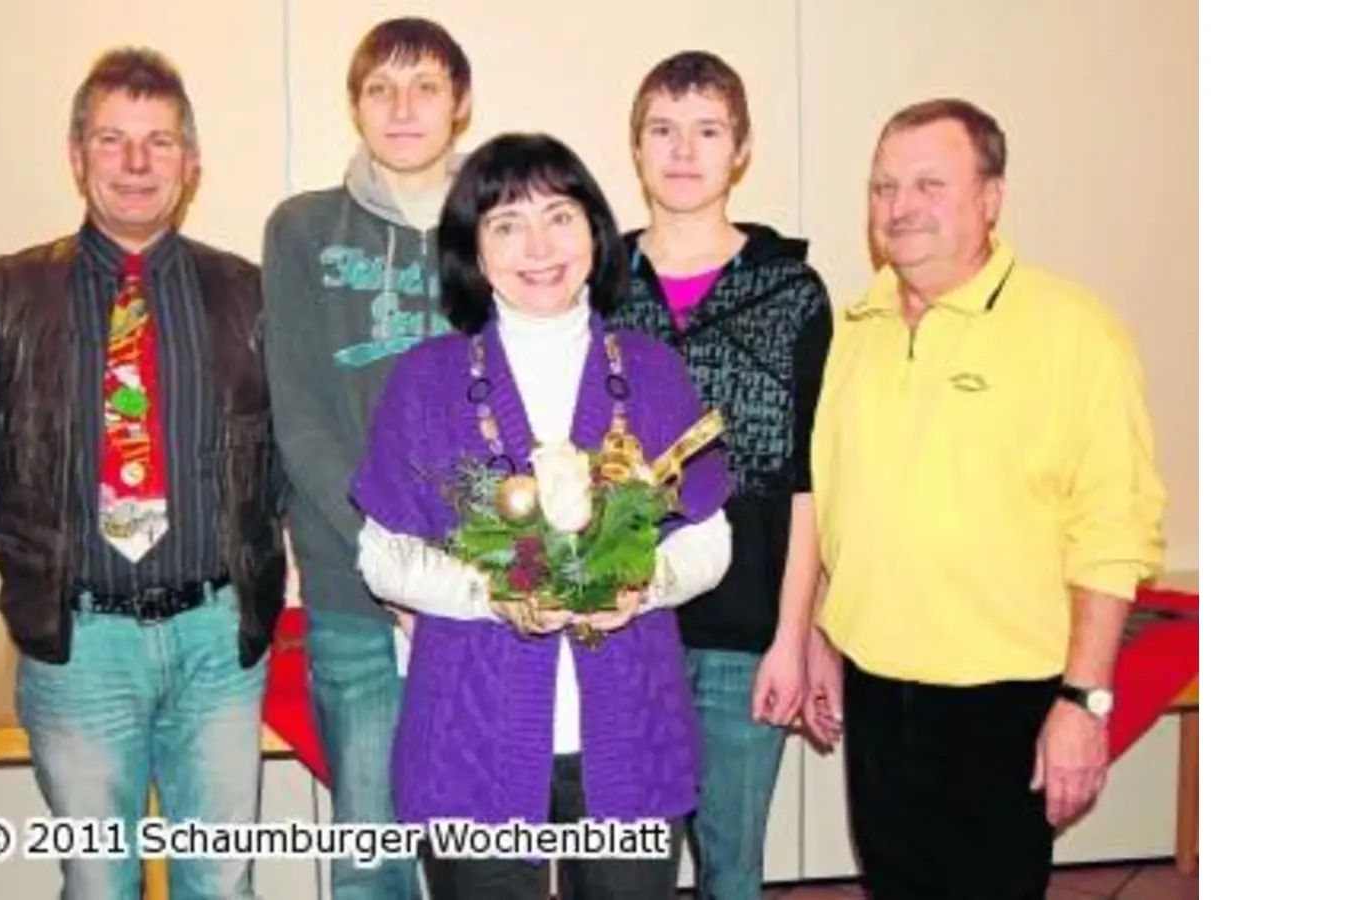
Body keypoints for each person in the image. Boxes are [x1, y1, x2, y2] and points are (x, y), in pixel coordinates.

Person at [0, 48, 284, 899]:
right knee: (98, 882)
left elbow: (280, 459)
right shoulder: (2, 298)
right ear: (76, 153)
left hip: (216, 642)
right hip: (79, 647)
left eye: (159, 142)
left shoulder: (250, 296)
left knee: (222, 884)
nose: (136, 164)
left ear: (190, 164)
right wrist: (49, 559)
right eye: (112, 139)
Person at [351, 132, 735, 900]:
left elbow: (710, 538)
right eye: (505, 225)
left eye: (558, 217)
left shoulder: (653, 374)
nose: (537, 246)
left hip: (629, 722)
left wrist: (646, 582)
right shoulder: (426, 383)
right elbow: (382, 555)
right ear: (473, 250)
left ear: (594, 230)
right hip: (472, 725)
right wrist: (488, 596)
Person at [805, 97, 1168, 899]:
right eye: (883, 186)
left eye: (930, 184)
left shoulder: (1075, 330)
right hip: (874, 683)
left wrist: (1084, 700)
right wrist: (823, 637)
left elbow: (1115, 528)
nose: (900, 208)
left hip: (1005, 700)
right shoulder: (855, 328)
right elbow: (836, 502)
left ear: (991, 198)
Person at [607, 51, 833, 900]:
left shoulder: (793, 292)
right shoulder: (597, 287)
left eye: (707, 130)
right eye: (662, 130)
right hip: (626, 628)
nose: (683, 150)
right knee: (629, 870)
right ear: (636, 148)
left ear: (740, 151)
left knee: (733, 869)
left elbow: (812, 479)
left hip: (748, 636)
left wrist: (794, 635)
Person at [260, 17, 471, 899]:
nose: (403, 107)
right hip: (357, 590)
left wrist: (463, 565)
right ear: (355, 106)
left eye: (425, 86)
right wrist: (392, 558)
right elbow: (301, 416)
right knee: (372, 856)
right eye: (380, 88)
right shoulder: (303, 229)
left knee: (485, 854)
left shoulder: (502, 224)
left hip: (480, 591)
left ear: (461, 106)